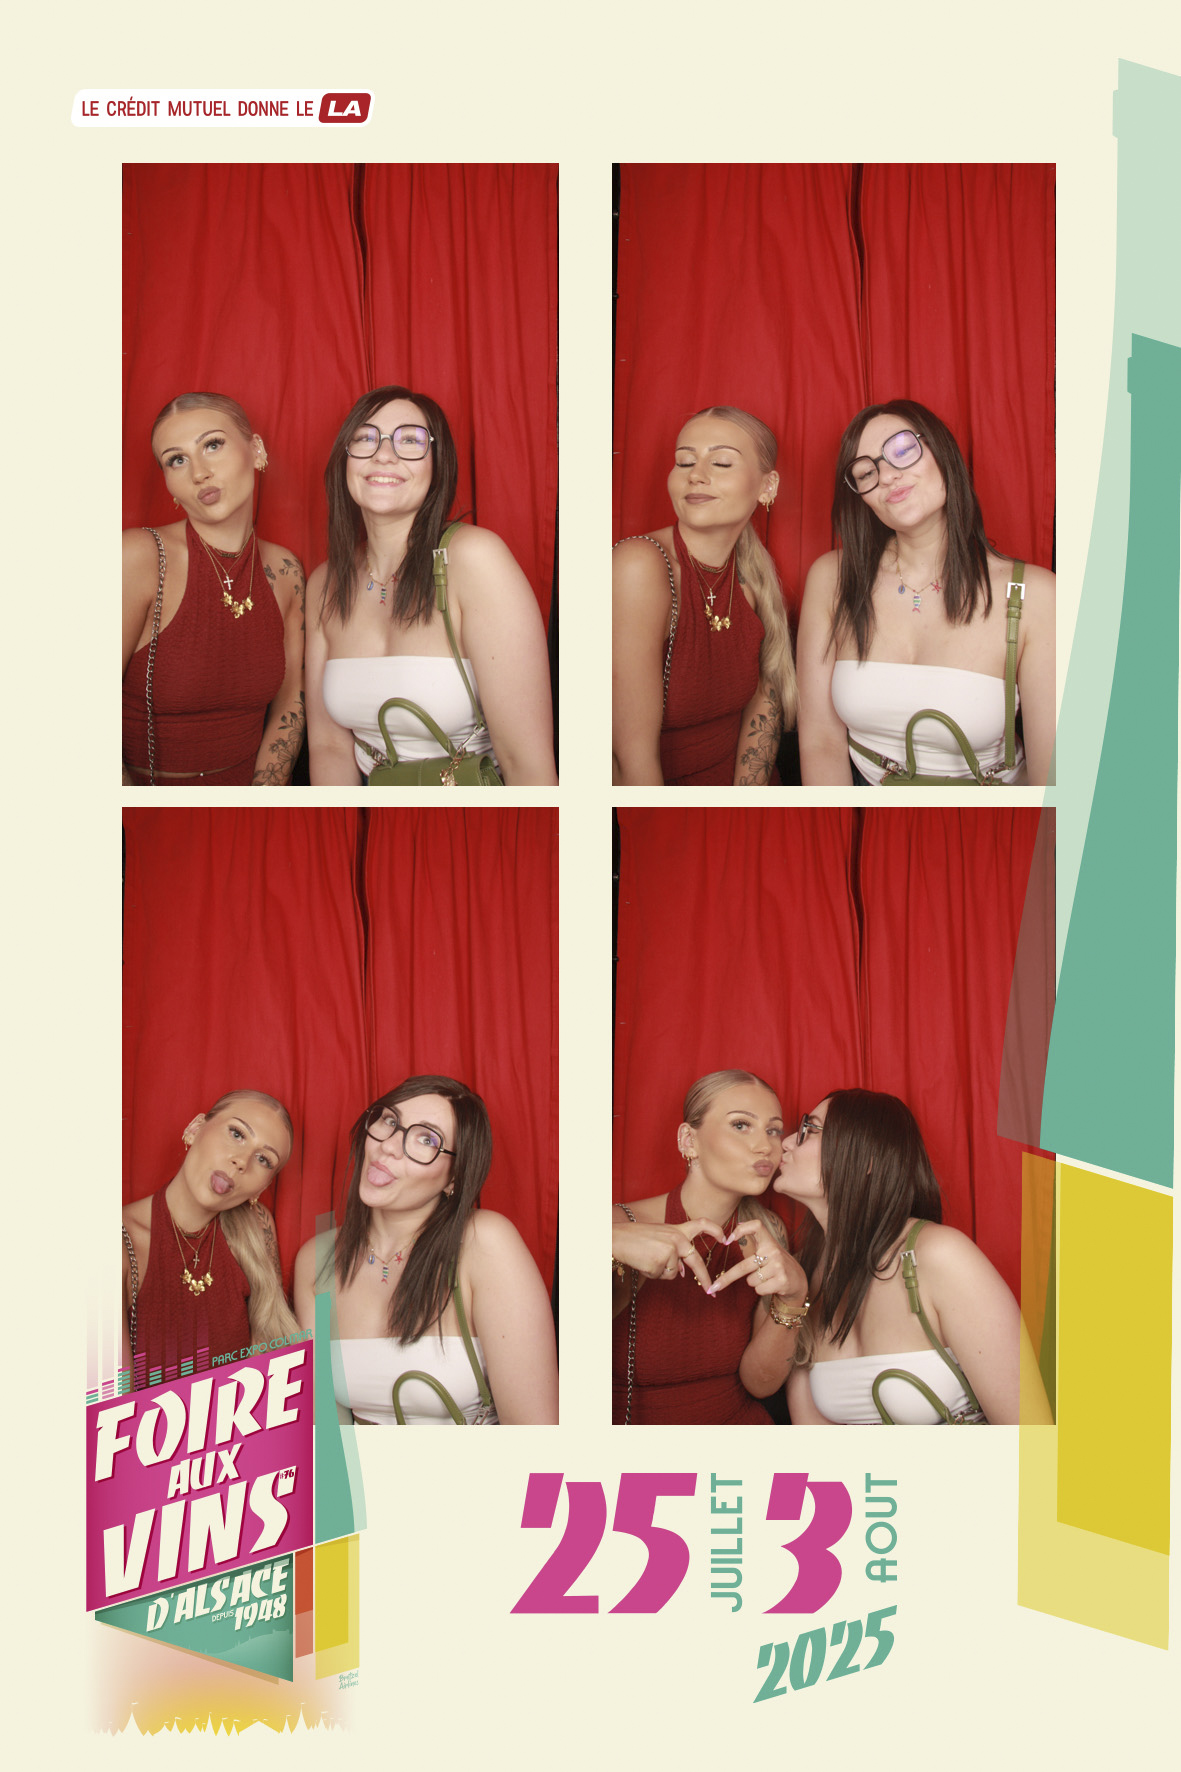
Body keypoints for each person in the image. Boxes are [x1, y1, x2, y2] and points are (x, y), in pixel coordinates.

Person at [305, 387, 556, 786]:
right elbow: (328, 747)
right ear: (344, 459)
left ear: (438, 466)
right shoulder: (325, 583)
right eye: (366, 437)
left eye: (410, 441)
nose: (384, 454)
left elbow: (527, 764)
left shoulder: (475, 558)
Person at [797, 400, 1055, 785]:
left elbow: (1054, 781)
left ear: (942, 453)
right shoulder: (832, 578)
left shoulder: (1035, 594)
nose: (887, 476)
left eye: (903, 451)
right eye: (866, 472)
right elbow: (820, 742)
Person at [293, 1076, 558, 1425]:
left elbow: (536, 1436)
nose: (389, 1146)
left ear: (454, 1178)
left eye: (427, 1139)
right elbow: (328, 1430)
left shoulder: (484, 1242)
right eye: (390, 1120)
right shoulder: (317, 1259)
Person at [779, 1091, 1024, 1425]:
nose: (787, 1142)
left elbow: (1028, 1433)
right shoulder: (802, 1277)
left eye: (811, 1129)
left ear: (866, 1157)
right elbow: (813, 1439)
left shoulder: (939, 1255)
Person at [122, 393, 306, 785]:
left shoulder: (286, 571)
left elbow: (291, 703)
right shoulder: (137, 557)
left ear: (256, 450)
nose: (199, 473)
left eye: (212, 445)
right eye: (177, 460)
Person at [612, 406, 798, 785]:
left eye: (721, 462)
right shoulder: (639, 566)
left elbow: (764, 709)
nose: (695, 474)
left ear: (767, 486)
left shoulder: (753, 579)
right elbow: (632, 763)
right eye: (684, 462)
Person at [611, 1071, 809, 1424]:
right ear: (689, 1140)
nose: (765, 1146)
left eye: (774, 1130)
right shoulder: (618, 1225)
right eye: (741, 1125)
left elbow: (760, 1384)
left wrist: (794, 1298)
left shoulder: (767, 1232)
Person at [121, 1089, 302, 1391]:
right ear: (195, 1129)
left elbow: (267, 1364)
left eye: (263, 1159)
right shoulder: (115, 1244)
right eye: (237, 1133)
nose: (241, 1161)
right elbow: (111, 1410)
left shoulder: (257, 1228)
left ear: (262, 1188)